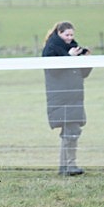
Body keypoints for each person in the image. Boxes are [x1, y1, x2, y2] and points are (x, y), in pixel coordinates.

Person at [42, 21, 92, 176]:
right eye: (66, 34)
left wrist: (86, 61)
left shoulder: (74, 48)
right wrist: (68, 57)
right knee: (71, 131)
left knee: (71, 130)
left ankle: (66, 166)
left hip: (74, 95)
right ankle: (68, 166)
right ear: (59, 33)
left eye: (72, 35)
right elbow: (54, 71)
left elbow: (82, 73)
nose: (70, 38)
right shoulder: (51, 49)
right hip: (61, 95)